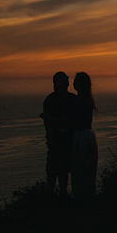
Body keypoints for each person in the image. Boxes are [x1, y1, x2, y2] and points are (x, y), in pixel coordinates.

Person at [41, 71, 75, 200]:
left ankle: (62, 197)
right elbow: (48, 122)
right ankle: (50, 200)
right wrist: (51, 139)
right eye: (61, 80)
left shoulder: (72, 99)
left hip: (67, 142)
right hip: (56, 142)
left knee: (64, 172)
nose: (64, 83)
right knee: (52, 173)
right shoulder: (50, 100)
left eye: (65, 80)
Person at [70, 72, 99, 205]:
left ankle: (83, 203)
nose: (74, 82)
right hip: (87, 136)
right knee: (87, 172)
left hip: (82, 137)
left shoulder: (79, 100)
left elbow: (74, 120)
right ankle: (88, 201)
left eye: (76, 80)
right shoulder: (86, 99)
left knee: (80, 171)